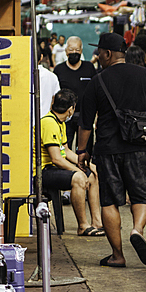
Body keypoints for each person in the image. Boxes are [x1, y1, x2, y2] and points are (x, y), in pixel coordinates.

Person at [77, 32, 146, 269]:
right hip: (139, 145)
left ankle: (117, 255)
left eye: (99, 52)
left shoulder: (97, 80)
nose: (97, 56)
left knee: (109, 201)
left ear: (108, 54)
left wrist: (82, 151)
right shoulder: (144, 75)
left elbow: (85, 123)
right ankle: (137, 230)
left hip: (108, 149)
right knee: (141, 194)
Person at [40, 88, 104, 236]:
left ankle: (97, 222)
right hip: (43, 171)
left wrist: (88, 166)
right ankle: (83, 226)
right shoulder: (49, 123)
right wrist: (78, 171)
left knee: (93, 175)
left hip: (54, 167)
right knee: (79, 178)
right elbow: (56, 158)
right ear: (71, 109)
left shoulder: (59, 122)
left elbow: (66, 151)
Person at [53, 36, 96, 150]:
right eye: (71, 49)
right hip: (65, 117)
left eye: (77, 50)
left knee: (85, 150)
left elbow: (95, 91)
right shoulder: (59, 70)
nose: (74, 52)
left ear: (81, 51)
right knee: (64, 149)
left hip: (85, 115)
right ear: (66, 51)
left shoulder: (89, 68)